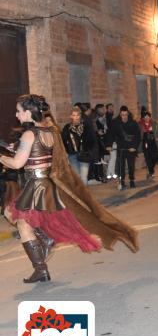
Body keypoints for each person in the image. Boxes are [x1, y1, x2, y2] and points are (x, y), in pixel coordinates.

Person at [0, 94, 138, 283]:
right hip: (44, 183)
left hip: (36, 185)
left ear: (29, 112)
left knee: (21, 223)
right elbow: (34, 153)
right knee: (16, 217)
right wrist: (11, 147)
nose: (16, 114)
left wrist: (1, 157)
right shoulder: (47, 131)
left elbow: (17, 163)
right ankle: (43, 258)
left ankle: (41, 266)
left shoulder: (29, 134)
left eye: (19, 111)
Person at [61, 107, 96, 184]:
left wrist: (89, 150)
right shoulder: (67, 128)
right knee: (77, 177)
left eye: (77, 115)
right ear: (71, 116)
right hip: (72, 154)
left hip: (84, 154)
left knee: (83, 177)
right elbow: (63, 140)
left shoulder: (86, 126)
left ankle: (84, 195)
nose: (76, 117)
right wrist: (66, 151)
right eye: (74, 115)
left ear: (80, 116)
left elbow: (92, 139)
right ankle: (80, 195)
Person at [110, 106, 141, 189]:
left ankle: (132, 180)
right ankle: (122, 181)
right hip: (121, 148)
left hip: (131, 148)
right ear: (120, 114)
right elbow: (111, 134)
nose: (124, 116)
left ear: (128, 114)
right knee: (121, 166)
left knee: (131, 166)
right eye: (122, 115)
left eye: (125, 115)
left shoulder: (133, 123)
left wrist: (134, 147)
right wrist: (109, 145)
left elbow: (137, 136)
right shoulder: (116, 123)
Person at [138, 110, 158, 179]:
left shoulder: (154, 124)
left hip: (153, 142)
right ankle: (151, 172)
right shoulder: (140, 124)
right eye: (145, 117)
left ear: (150, 117)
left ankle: (150, 169)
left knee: (156, 156)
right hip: (145, 143)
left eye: (148, 117)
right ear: (143, 118)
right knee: (148, 157)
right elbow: (137, 134)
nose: (147, 118)